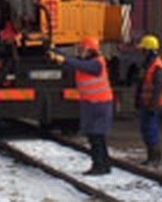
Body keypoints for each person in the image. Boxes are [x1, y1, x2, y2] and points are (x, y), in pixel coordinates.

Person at [47, 36, 113, 175]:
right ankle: (104, 164)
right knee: (96, 136)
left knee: (96, 137)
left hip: (98, 104)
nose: (80, 51)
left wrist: (64, 59)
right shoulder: (89, 61)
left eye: (83, 49)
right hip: (93, 104)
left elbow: (78, 64)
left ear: (90, 50)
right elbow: (74, 60)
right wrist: (54, 50)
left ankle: (99, 165)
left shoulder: (96, 64)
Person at [135, 34, 162, 166]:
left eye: (143, 49)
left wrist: (153, 104)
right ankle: (151, 157)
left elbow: (158, 86)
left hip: (154, 104)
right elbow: (142, 84)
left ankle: (155, 158)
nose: (141, 51)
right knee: (145, 129)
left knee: (151, 129)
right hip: (147, 103)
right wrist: (138, 99)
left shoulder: (157, 66)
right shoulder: (148, 65)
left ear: (149, 50)